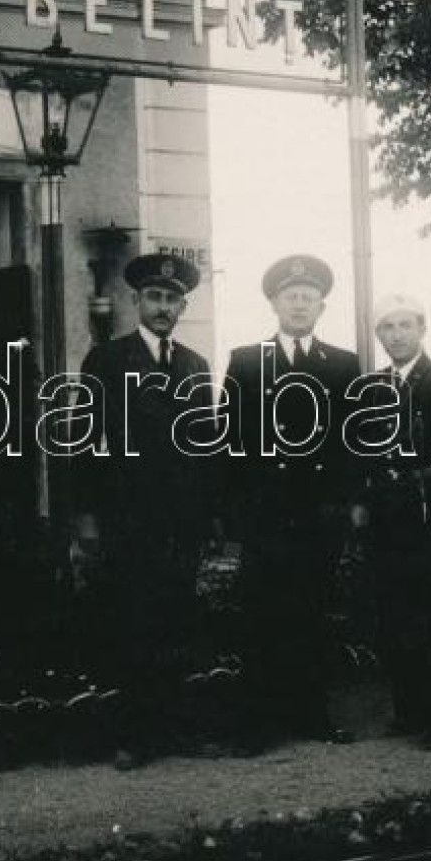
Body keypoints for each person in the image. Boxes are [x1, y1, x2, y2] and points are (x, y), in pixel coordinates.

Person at [73, 251, 214, 769]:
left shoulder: (194, 366)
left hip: (180, 523)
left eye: (172, 299)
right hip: (126, 519)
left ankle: (175, 729)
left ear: (182, 306)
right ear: (137, 301)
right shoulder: (106, 360)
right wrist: (87, 518)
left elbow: (205, 448)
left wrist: (206, 520)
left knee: (177, 625)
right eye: (154, 297)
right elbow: (84, 441)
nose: (163, 307)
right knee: (132, 627)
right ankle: (132, 736)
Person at [221, 254, 362, 748]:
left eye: (308, 297)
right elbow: (229, 441)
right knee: (261, 615)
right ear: (275, 304)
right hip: (264, 511)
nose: (300, 304)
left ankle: (313, 714)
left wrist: (342, 504)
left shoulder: (343, 364)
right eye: (290, 296)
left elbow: (352, 442)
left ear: (321, 305)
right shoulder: (245, 360)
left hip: (317, 512)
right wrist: (235, 514)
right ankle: (259, 723)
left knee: (313, 613)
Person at [351, 294, 431, 750]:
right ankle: (409, 711)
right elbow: (362, 454)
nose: (397, 334)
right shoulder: (371, 386)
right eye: (387, 327)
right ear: (379, 335)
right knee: (395, 618)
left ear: (422, 329)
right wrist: (363, 505)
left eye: (405, 325)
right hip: (389, 520)